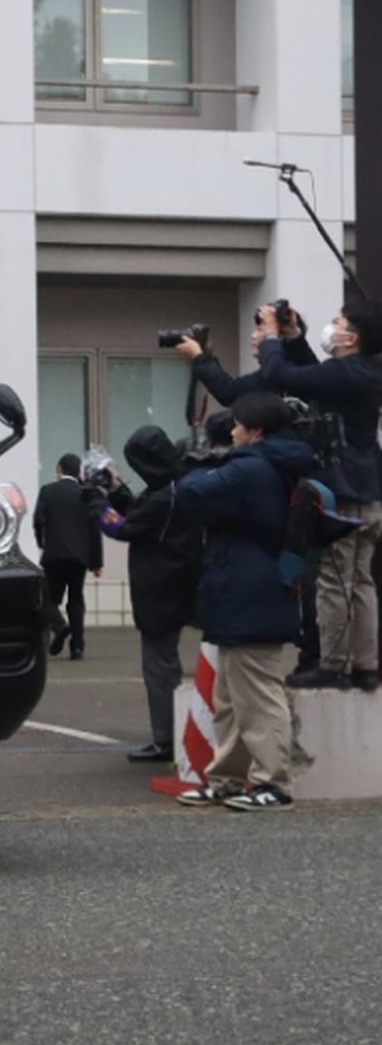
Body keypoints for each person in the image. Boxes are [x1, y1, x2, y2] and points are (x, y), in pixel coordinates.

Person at [172, 389, 316, 811]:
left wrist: (200, 462)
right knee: (232, 697)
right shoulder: (274, 464)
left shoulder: (251, 468)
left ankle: (274, 782)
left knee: (258, 696)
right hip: (251, 588)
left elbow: (191, 493)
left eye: (237, 424)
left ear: (256, 430)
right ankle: (228, 779)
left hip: (251, 591)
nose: (231, 431)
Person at [252, 301, 382, 694]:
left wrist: (271, 336)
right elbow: (314, 377)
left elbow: (279, 375)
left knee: (334, 578)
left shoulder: (345, 373)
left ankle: (333, 664)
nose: (331, 326)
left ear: (351, 338)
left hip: (342, 489)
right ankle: (365, 665)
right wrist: (294, 338)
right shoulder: (362, 372)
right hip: (368, 488)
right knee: (361, 579)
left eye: (337, 322)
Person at [98, 428, 203, 764]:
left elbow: (125, 528)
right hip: (177, 583)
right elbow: (139, 515)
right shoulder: (173, 486)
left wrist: (95, 503)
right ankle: (173, 736)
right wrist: (116, 491)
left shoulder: (164, 496)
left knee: (159, 669)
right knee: (165, 665)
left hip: (162, 589)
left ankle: (167, 739)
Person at [34, 454, 103, 660]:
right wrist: (97, 562)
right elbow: (95, 529)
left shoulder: (48, 491)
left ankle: (59, 626)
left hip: (54, 554)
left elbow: (38, 520)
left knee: (48, 598)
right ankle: (77, 647)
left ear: (59, 469)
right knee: (76, 599)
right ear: (79, 472)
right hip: (79, 557)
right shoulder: (86, 494)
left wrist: (42, 543)